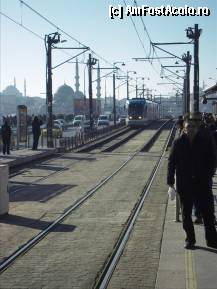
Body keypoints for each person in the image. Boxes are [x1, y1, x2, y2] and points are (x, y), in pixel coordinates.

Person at [167, 112, 217, 249]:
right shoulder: (178, 143)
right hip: (185, 184)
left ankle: (212, 240)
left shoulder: (205, 141)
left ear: (198, 127)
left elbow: (213, 159)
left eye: (194, 127)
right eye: (189, 126)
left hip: (202, 182)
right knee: (186, 214)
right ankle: (190, 239)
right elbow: (171, 162)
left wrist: (209, 174)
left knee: (208, 213)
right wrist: (170, 182)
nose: (191, 129)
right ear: (184, 127)